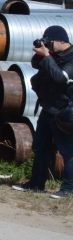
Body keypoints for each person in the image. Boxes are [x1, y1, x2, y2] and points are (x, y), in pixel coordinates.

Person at [14, 25, 73, 198]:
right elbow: (36, 64)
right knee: (40, 147)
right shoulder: (53, 55)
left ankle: (68, 189)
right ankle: (36, 183)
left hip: (64, 112)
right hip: (47, 109)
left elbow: (61, 78)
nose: (48, 45)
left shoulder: (71, 57)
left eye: (50, 41)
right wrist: (42, 53)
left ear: (62, 41)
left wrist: (47, 55)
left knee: (67, 151)